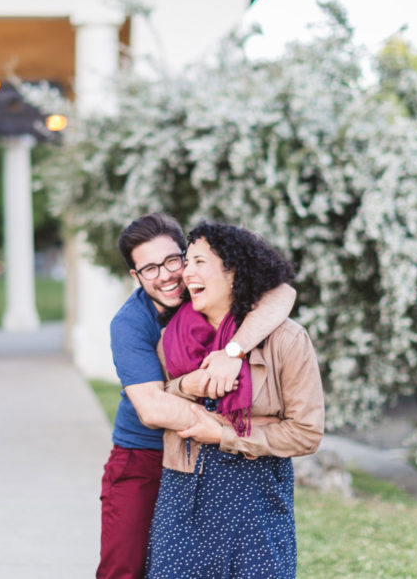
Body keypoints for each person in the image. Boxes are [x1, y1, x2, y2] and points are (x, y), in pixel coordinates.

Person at [98, 213, 296, 579]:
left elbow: (283, 293)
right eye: (149, 269)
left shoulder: (208, 289)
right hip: (144, 455)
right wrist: (235, 430)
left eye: (173, 260)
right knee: (124, 568)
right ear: (136, 277)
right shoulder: (130, 323)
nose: (167, 275)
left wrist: (233, 351)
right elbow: (153, 408)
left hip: (203, 459)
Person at [146, 222, 324, 579]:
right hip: (183, 499)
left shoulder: (287, 341)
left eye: (198, 261)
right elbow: (157, 404)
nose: (186, 271)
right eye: (186, 261)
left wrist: (224, 434)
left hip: (255, 504)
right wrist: (187, 386)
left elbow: (307, 432)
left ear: (233, 272)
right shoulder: (172, 339)